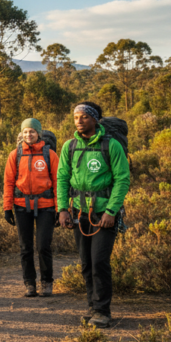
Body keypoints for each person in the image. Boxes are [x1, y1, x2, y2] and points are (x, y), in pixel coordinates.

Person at [57, 102, 129, 329]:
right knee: (86, 262)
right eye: (76, 117)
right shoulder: (69, 146)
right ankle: (92, 306)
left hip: (104, 214)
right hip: (79, 212)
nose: (79, 121)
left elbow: (122, 180)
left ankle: (102, 311)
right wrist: (62, 209)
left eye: (84, 117)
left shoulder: (112, 146)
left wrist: (111, 211)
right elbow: (62, 179)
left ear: (95, 120)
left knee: (99, 261)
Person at [3, 118, 58, 298]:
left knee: (43, 246)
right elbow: (9, 182)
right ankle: (29, 284)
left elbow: (58, 182)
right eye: (25, 132)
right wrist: (7, 207)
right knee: (25, 247)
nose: (29, 135)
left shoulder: (50, 155)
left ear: (39, 133)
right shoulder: (15, 155)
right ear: (21, 134)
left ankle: (47, 283)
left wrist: (60, 208)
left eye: (32, 132)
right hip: (21, 206)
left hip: (46, 207)